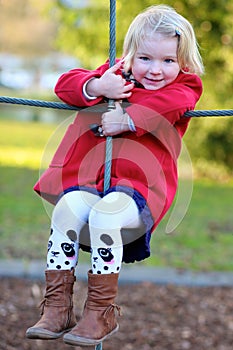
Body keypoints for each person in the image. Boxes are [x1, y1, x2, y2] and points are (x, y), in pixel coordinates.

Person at [26, 4, 204, 347]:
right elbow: (65, 85)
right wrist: (97, 85)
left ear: (182, 62)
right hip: (93, 184)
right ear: (130, 56)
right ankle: (58, 307)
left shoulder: (184, 86)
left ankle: (100, 313)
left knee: (107, 216)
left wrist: (128, 119)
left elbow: (173, 103)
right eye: (146, 58)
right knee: (65, 211)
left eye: (168, 60)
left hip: (141, 191)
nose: (156, 70)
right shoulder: (114, 75)